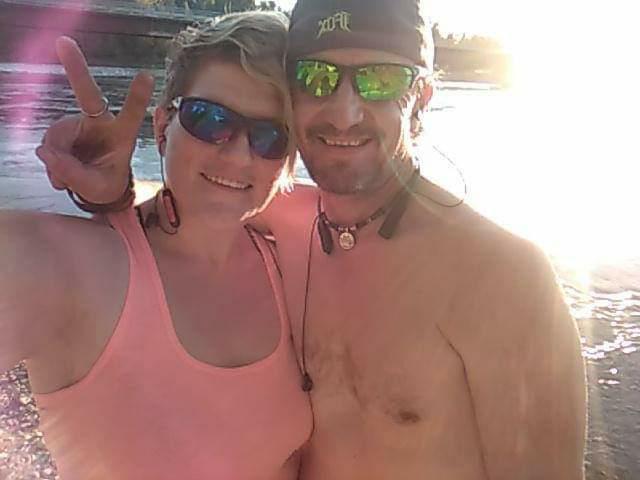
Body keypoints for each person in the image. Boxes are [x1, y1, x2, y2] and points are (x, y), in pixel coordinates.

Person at [37, 0, 587, 479]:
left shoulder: (503, 279)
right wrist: (111, 193)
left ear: (420, 98)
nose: (344, 113)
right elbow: (195, 201)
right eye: (317, 78)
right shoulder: (282, 224)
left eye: (380, 81)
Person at [0, 11, 312, 480]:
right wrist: (101, 200)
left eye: (269, 137)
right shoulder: (85, 270)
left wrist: (113, 195)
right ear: (163, 125)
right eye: (210, 120)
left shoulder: (296, 262)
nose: (237, 154)